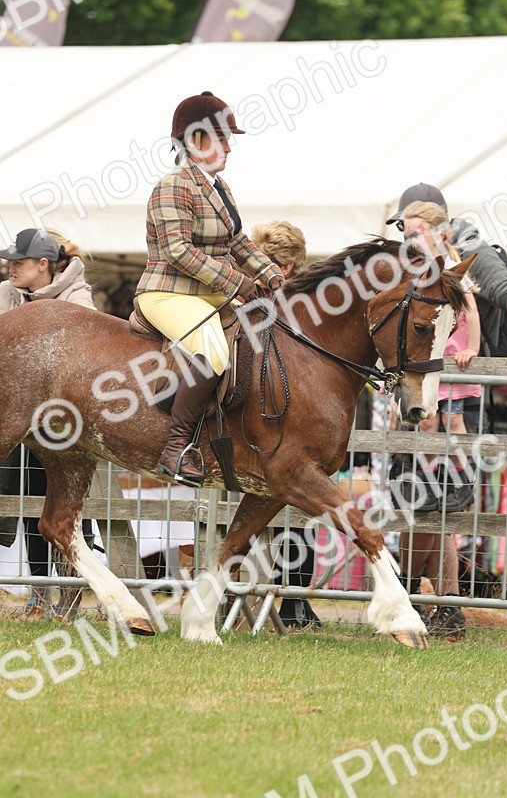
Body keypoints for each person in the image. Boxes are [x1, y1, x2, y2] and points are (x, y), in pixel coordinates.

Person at [138, 91, 284, 487]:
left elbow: (237, 242)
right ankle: (176, 447)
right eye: (222, 138)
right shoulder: (172, 186)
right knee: (214, 351)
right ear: (195, 140)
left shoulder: (220, 187)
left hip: (211, 290)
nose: (229, 147)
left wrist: (272, 275)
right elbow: (177, 250)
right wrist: (239, 281)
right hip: (169, 292)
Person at [0, 227, 96, 619]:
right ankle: (40, 594)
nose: (10, 268)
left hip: (66, 425)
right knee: (30, 508)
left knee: (68, 510)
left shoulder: (77, 295)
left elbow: (79, 349)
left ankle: (71, 596)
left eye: (19, 261)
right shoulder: (7, 292)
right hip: (20, 420)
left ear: (43, 264)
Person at [391, 200, 479, 641]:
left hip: (442, 385)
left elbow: (470, 313)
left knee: (437, 508)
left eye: (416, 230)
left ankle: (434, 601)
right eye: (406, 231)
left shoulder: (451, 272)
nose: (410, 237)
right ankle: (427, 600)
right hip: (415, 388)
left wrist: (473, 348)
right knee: (418, 508)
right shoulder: (400, 270)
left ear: (437, 233)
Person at [386, 183, 507, 379]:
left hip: (466, 375)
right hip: (429, 374)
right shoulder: (412, 260)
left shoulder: (470, 252)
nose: (407, 237)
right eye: (403, 227)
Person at [250, 221, 322, 630]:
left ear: (290, 265)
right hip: (259, 419)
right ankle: (270, 600)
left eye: (274, 262)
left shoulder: (306, 299)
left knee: (302, 513)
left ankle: (294, 600)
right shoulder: (249, 290)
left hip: (296, 418)